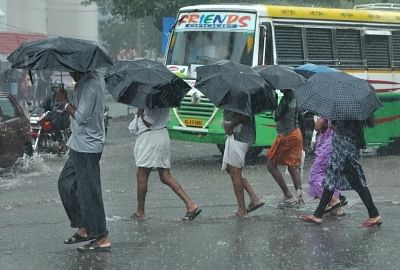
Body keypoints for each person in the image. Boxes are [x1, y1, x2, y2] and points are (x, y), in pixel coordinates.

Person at [56, 70, 111, 252]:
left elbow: (81, 117)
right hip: (77, 144)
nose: (70, 72)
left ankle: (101, 237)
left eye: (72, 69)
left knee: (89, 193)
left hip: (88, 147)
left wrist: (64, 100)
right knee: (65, 184)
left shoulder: (90, 86)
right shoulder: (83, 82)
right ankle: (84, 227)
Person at [300, 118, 382, 227]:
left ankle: (374, 215)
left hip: (343, 150)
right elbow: (371, 123)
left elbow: (334, 127)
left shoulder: (342, 110)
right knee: (332, 181)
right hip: (345, 148)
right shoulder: (355, 109)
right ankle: (318, 215)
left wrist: (334, 125)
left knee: (354, 182)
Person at [132, 107, 201, 221]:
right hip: (162, 134)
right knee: (165, 176)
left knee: (142, 176)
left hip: (150, 137)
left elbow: (149, 122)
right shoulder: (165, 97)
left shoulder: (150, 99)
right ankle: (190, 204)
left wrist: (140, 111)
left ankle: (140, 211)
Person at [222, 110, 265, 217]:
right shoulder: (237, 96)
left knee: (235, 172)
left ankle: (242, 209)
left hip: (239, 138)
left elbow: (241, 115)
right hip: (237, 136)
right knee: (229, 168)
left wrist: (230, 126)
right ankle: (254, 198)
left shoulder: (239, 97)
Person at [266, 89, 304, 206]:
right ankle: (300, 198)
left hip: (286, 136)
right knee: (292, 166)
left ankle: (287, 194)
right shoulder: (295, 97)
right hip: (296, 133)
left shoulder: (286, 99)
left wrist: (273, 101)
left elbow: (275, 116)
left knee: (270, 165)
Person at [308, 116, 347, 216]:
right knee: (329, 176)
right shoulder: (339, 111)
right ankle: (336, 209)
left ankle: (334, 200)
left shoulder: (327, 113)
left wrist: (321, 118)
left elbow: (317, 126)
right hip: (335, 144)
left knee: (314, 176)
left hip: (327, 147)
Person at [38, 81, 70, 151]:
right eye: (55, 88)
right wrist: (36, 109)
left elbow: (68, 106)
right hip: (52, 117)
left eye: (58, 88)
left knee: (55, 120)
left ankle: (60, 140)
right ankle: (40, 142)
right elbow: (43, 105)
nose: (56, 89)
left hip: (62, 119)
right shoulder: (51, 97)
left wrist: (62, 110)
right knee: (41, 122)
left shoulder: (64, 96)